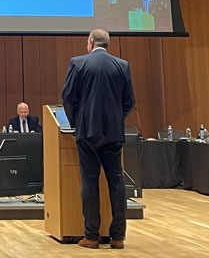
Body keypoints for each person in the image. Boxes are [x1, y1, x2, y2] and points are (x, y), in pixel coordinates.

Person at [61, 28, 135, 250]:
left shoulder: (78, 63)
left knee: (90, 181)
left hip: (88, 132)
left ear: (91, 42)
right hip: (114, 133)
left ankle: (91, 236)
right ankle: (118, 236)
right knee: (117, 182)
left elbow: (67, 97)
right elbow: (129, 102)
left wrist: (76, 122)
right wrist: (115, 119)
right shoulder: (122, 66)